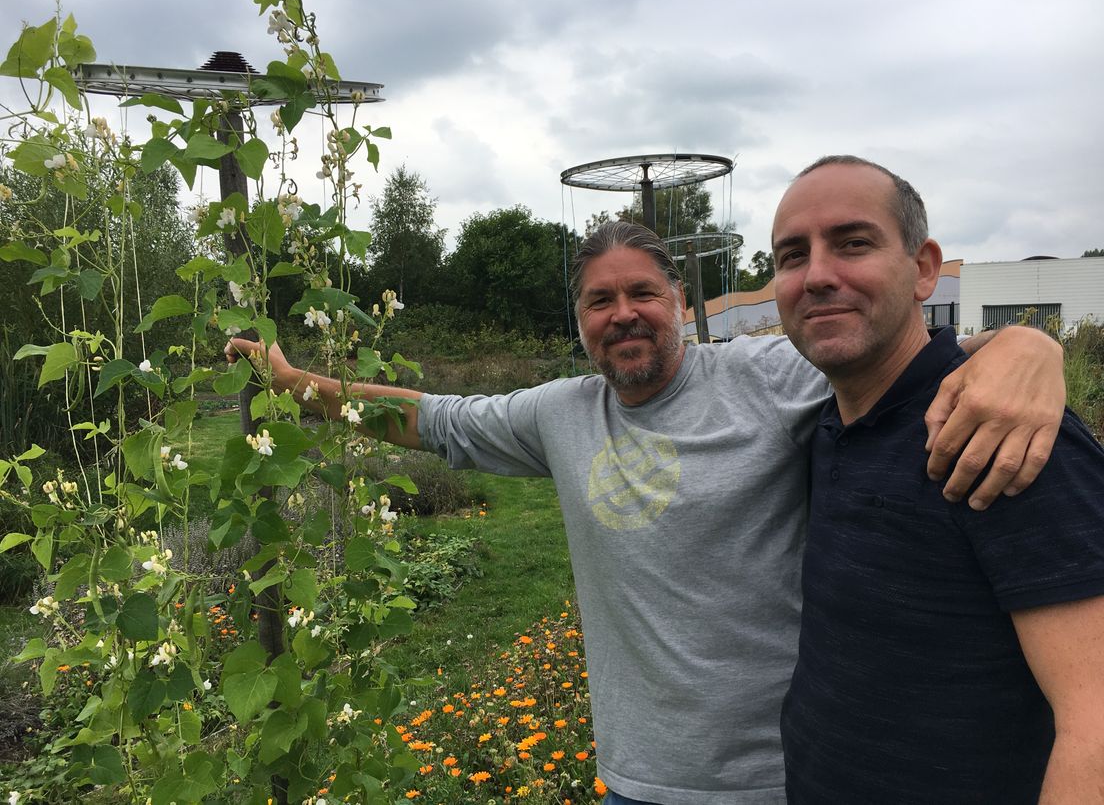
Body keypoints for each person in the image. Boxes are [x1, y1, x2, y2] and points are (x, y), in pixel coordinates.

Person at [228, 220, 1065, 804]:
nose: (622, 313)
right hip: (637, 780)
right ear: (581, 321)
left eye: (641, 293)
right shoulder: (557, 415)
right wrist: (294, 384)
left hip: (782, 779)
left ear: (678, 297)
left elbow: (905, 361)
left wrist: (1027, 345)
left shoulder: (767, 377)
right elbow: (432, 419)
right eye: (599, 300)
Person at [772, 156, 1104, 803]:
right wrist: (1024, 339)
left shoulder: (1001, 435)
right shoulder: (825, 428)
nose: (816, 275)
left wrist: (1030, 344)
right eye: (791, 255)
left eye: (853, 243)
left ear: (923, 269)